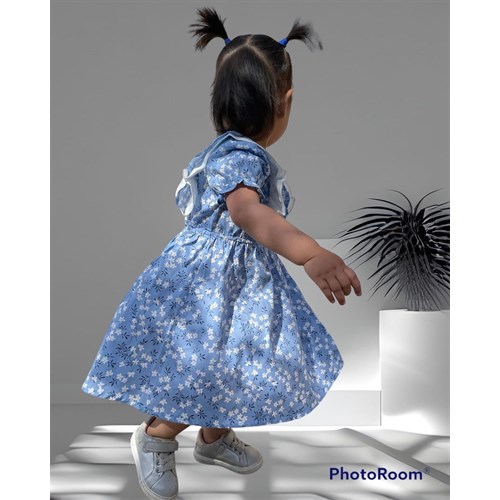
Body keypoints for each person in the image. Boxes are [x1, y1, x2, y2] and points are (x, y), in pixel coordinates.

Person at [81, 7, 362, 500]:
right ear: (285, 102)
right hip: (213, 284)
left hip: (228, 279)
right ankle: (156, 436)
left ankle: (212, 437)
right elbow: (248, 214)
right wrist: (311, 253)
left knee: (233, 358)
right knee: (206, 364)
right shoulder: (241, 156)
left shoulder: (223, 150)